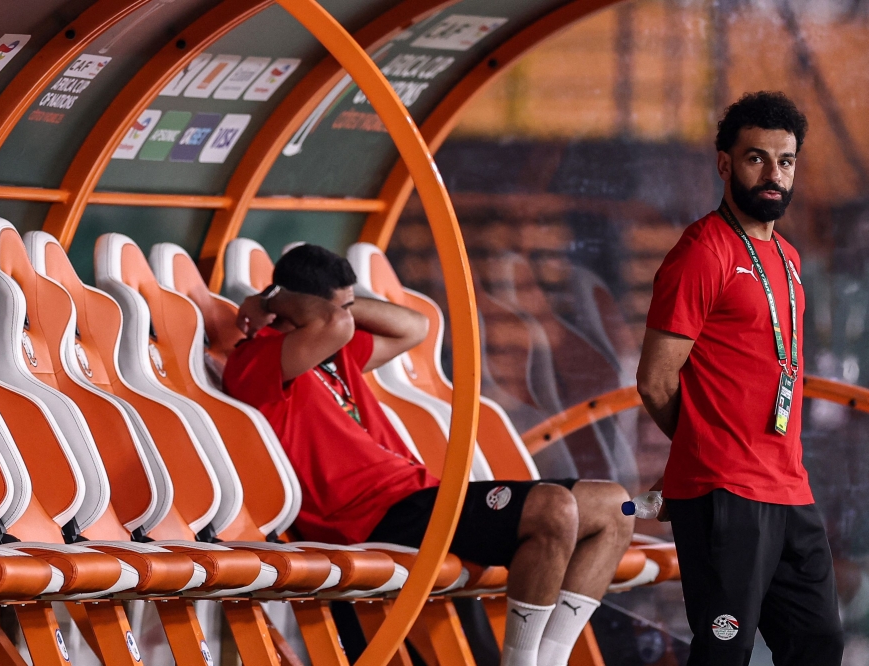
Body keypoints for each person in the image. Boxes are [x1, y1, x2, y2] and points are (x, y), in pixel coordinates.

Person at [224, 244, 634, 666]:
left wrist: (323, 301)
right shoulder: (258, 361)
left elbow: (413, 326)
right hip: (371, 515)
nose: (350, 314)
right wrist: (269, 300)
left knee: (615, 507)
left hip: (419, 497)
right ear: (301, 306)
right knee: (554, 508)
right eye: (343, 305)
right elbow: (334, 321)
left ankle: (552, 659)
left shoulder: (336, 354)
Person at [637, 91, 844, 666]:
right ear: (725, 163)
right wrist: (705, 452)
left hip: (788, 485)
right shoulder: (701, 253)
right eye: (757, 158)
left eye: (786, 161)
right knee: (726, 650)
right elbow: (656, 380)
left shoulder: (789, 257)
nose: (774, 174)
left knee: (818, 643)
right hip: (725, 489)